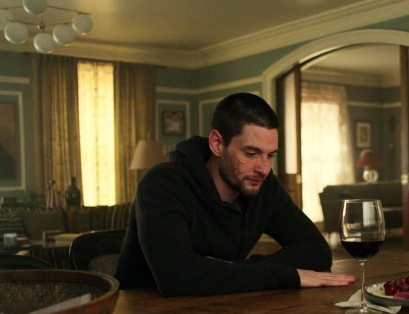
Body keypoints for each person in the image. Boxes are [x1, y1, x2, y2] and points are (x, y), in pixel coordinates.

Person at [116, 92, 355, 296]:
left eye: (270, 155)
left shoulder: (263, 186)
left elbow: (317, 251)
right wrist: (282, 274)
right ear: (217, 144)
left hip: (221, 310)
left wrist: (234, 270)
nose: (264, 168)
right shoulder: (162, 184)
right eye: (251, 153)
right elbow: (177, 277)